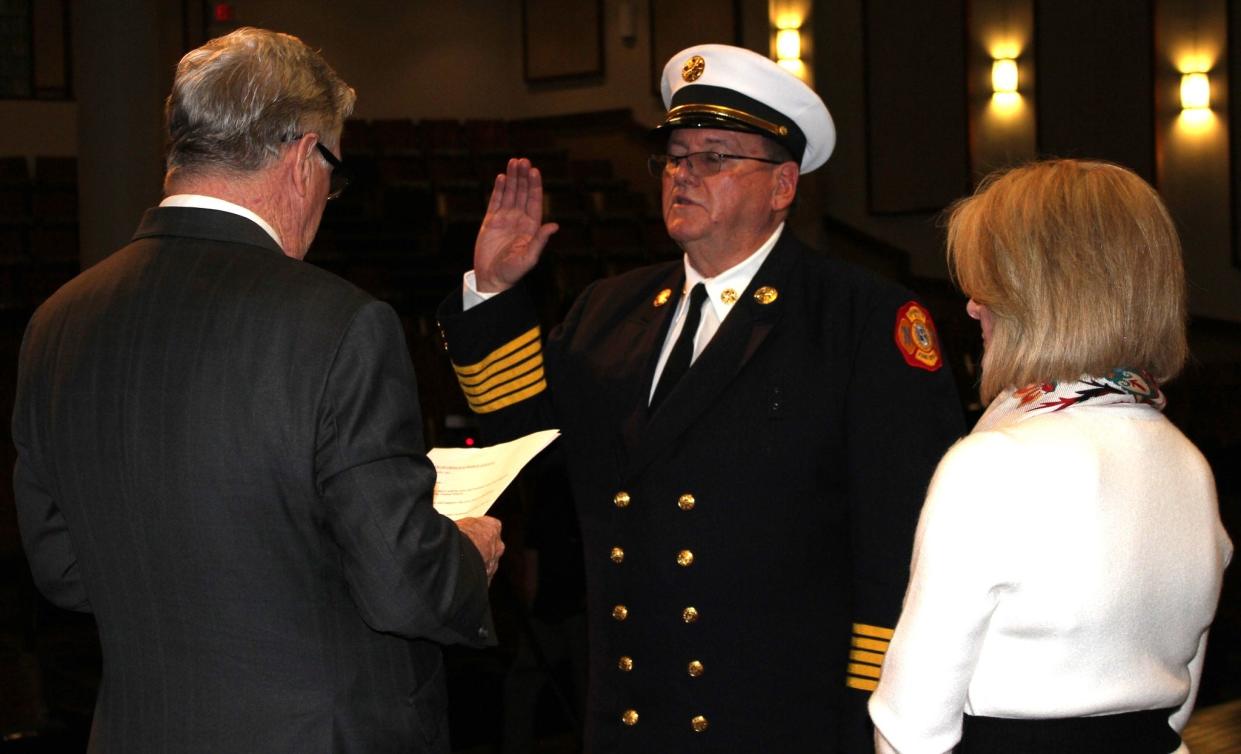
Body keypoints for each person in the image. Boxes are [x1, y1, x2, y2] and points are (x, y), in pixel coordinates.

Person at [436, 44, 965, 751]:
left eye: (715, 156)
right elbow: (524, 435)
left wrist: (873, 711)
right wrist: (495, 292)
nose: (684, 173)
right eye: (676, 156)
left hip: (781, 715)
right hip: (631, 709)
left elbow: (901, 546)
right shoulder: (611, 309)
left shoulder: (858, 320)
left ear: (782, 185)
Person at [12, 28, 503, 753]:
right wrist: (464, 554)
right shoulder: (338, 323)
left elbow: (62, 568)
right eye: (333, 176)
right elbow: (403, 585)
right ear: (306, 157)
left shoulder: (57, 320)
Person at [868, 159, 1234, 754]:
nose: (970, 307)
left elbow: (910, 729)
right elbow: (1178, 698)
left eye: (987, 285)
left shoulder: (991, 464)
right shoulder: (1188, 463)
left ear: (1038, 296)